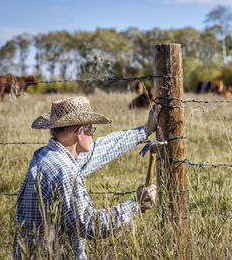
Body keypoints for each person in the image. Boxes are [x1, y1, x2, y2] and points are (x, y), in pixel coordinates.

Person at [13, 96, 161, 259]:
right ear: (79, 133)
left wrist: (144, 131)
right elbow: (89, 224)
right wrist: (135, 204)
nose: (92, 135)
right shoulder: (64, 171)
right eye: (91, 129)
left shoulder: (47, 156)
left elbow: (101, 149)